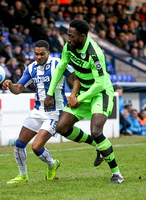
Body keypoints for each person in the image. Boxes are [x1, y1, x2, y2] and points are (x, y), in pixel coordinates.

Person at [2, 40, 103, 184]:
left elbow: (76, 80)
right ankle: (23, 176)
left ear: (48, 53)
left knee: (36, 146)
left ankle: (52, 164)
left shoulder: (58, 64)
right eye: (36, 54)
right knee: (19, 144)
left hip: (55, 112)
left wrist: (73, 95)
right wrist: (10, 85)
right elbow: (18, 89)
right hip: (38, 111)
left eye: (42, 54)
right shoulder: (31, 68)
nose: (38, 57)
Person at [44, 19, 124, 184]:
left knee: (96, 130)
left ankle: (116, 174)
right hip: (82, 92)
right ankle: (97, 145)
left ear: (82, 36)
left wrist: (78, 98)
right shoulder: (68, 47)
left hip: (100, 93)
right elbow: (60, 68)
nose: (68, 39)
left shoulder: (94, 53)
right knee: (62, 127)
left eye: (71, 36)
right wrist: (49, 93)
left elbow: (100, 83)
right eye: (68, 35)